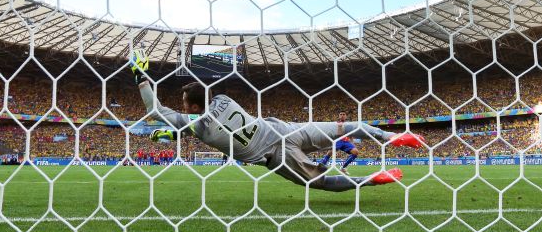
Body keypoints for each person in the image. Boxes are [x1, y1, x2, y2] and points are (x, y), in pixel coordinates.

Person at [130, 49, 424, 192]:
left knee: (319, 182)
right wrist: (172, 134)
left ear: (192, 106)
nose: (183, 107)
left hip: (277, 156)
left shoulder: (201, 127)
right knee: (343, 128)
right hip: (284, 128)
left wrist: (140, 76)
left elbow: (156, 111)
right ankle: (392, 137)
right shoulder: (223, 100)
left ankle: (372, 179)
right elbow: (201, 118)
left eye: (185, 104)